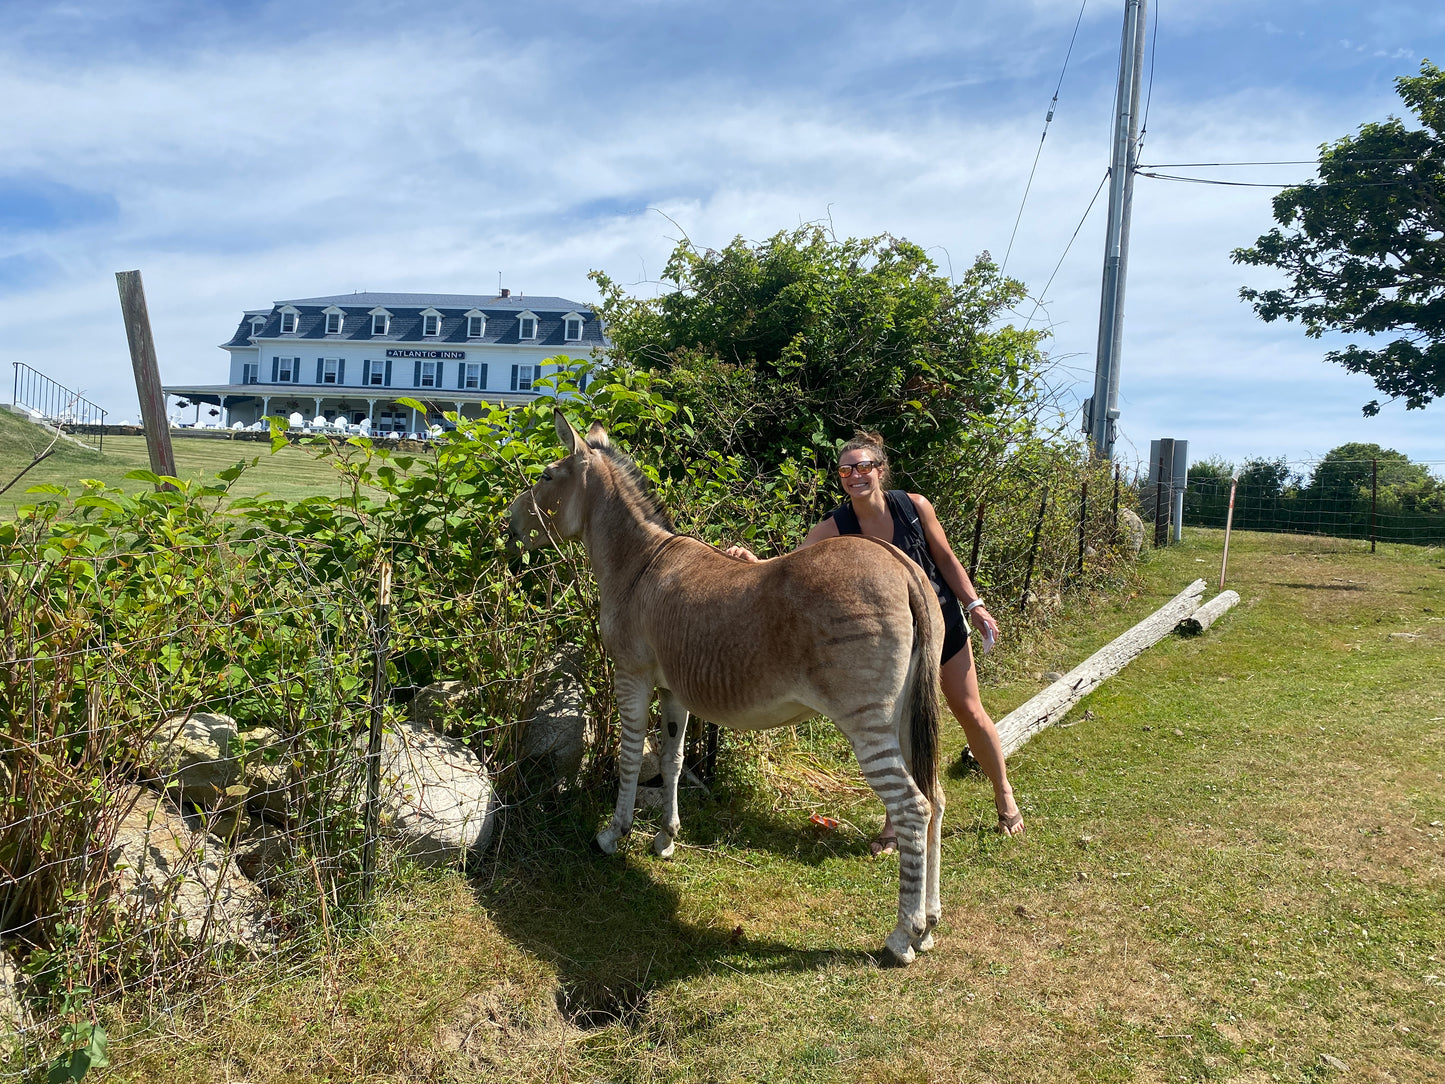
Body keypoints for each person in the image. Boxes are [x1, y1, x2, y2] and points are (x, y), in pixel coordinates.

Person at [726, 432, 1024, 849]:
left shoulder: (914, 506)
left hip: (940, 623)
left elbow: (947, 560)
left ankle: (1004, 794)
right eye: (846, 470)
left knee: (970, 710)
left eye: (864, 466)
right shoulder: (836, 525)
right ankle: (897, 820)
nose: (855, 475)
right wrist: (756, 564)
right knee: (893, 723)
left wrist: (974, 605)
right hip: (889, 638)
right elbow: (791, 565)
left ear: (880, 470)